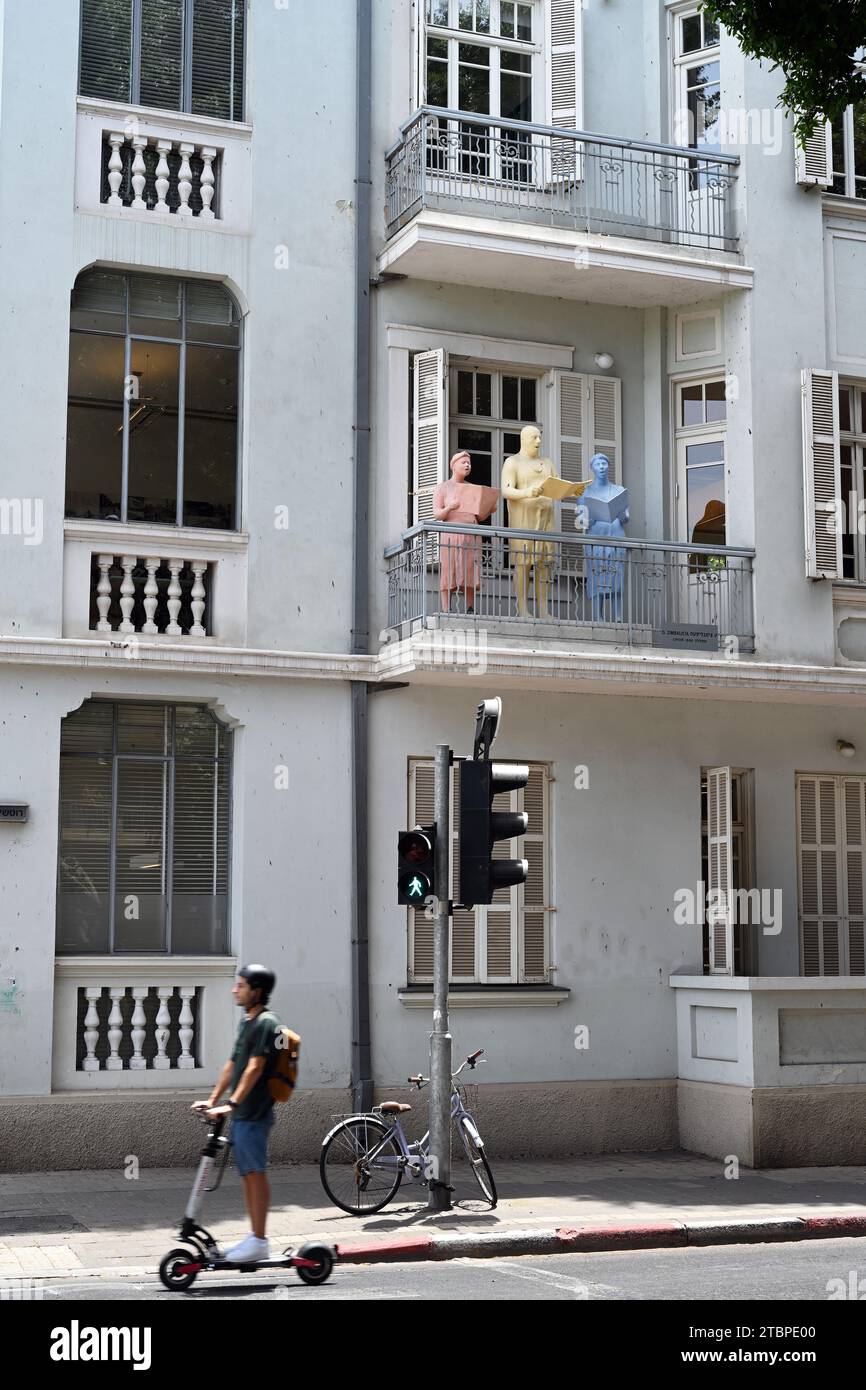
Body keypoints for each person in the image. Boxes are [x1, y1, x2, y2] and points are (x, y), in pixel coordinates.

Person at [192, 963, 281, 1263]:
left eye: (241, 985)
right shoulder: (247, 1022)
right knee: (247, 1175)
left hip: (255, 1114)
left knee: (255, 1174)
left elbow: (255, 1068)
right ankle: (254, 1237)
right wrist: (213, 1098)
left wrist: (231, 1104)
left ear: (256, 991)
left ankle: (259, 1240)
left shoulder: (267, 1024)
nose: (235, 989)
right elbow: (233, 1065)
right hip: (242, 1115)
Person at [432, 450, 492, 613]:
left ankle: (470, 607)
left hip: (471, 533)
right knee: (449, 569)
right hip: (451, 534)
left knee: (470, 569)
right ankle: (446, 608)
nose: (467, 465)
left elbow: (478, 515)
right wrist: (450, 507)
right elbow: (437, 514)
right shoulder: (442, 488)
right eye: (463, 462)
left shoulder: (473, 488)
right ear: (454, 466)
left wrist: (488, 508)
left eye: (469, 463)